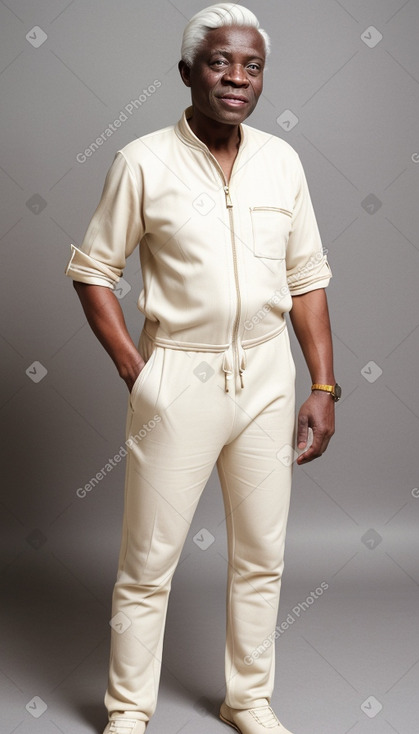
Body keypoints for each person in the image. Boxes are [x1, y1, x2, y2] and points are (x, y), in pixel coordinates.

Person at [66, 4, 340, 733]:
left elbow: (308, 278)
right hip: (177, 378)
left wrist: (321, 386)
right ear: (188, 71)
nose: (236, 77)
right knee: (147, 561)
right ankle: (128, 709)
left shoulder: (281, 162)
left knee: (261, 555)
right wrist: (137, 369)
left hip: (265, 375)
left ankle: (247, 699)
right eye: (220, 62)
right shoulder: (141, 161)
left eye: (251, 66)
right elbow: (92, 268)